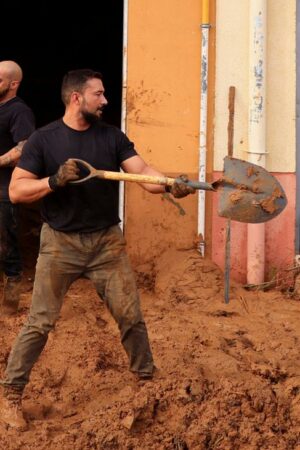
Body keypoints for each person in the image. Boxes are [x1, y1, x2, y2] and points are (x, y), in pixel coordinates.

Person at [0, 69, 195, 430]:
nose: (105, 101)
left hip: (106, 243)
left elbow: (142, 172)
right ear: (77, 98)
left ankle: (146, 381)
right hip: (60, 244)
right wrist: (54, 180)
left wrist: (170, 184)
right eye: (99, 94)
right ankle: (11, 394)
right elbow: (16, 191)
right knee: (40, 323)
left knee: (131, 317)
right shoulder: (44, 140)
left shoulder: (111, 136)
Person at [0, 60, 35, 315]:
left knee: (6, 244)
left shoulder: (19, 111)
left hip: (4, 188)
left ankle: (11, 300)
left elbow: (25, 147)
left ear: (14, 84)